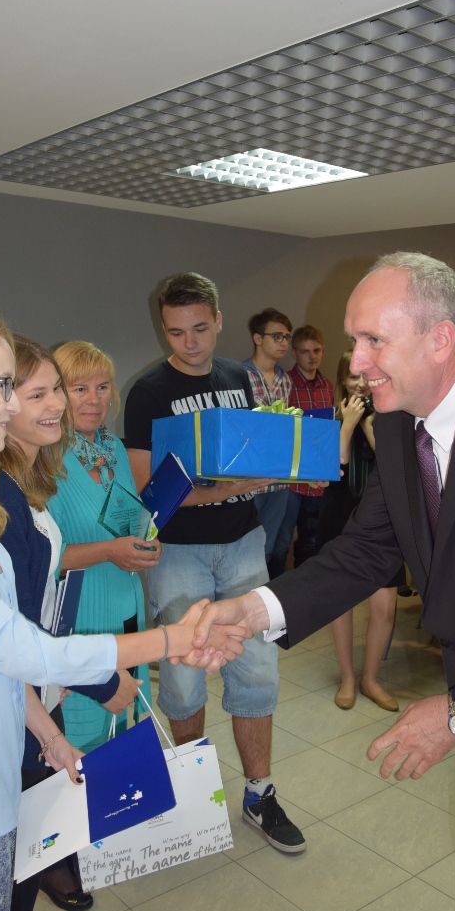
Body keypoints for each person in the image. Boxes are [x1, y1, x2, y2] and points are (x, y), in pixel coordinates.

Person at [190, 251, 455, 911]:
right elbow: (368, 549)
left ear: (440, 338)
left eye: (373, 341)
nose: (355, 364)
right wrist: (256, 610)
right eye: (353, 340)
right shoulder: (399, 423)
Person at [0, 311, 244, 911]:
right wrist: (171, 640)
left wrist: (47, 734)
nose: (15, 404)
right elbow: (20, 647)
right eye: (3, 387)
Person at [125, 272, 307, 854]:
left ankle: (259, 794)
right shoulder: (147, 392)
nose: (190, 343)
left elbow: (252, 452)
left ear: (220, 321)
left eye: (200, 328)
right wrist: (233, 487)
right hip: (178, 552)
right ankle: (193, 797)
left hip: (243, 543)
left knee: (256, 670)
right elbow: (147, 489)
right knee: (183, 676)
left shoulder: (237, 379)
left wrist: (283, 463)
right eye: (176, 332)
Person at [0, 334, 141, 911]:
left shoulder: (97, 452)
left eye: (96, 386)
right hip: (60, 636)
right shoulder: (23, 474)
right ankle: (53, 863)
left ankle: (86, 839)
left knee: (98, 740)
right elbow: (31, 582)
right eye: (60, 389)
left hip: (104, 621)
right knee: (56, 759)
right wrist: (109, 550)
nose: (78, 400)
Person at [47, 340, 154, 755]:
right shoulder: (43, 460)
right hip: (80, 620)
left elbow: (128, 520)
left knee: (123, 737)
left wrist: (146, 543)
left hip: (127, 608)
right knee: (83, 748)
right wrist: (110, 551)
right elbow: (42, 560)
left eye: (103, 387)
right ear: (58, 394)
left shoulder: (114, 449)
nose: (94, 399)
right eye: (80, 389)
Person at [316, 352, 402, 712]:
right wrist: (348, 426)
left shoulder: (393, 417)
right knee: (342, 603)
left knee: (384, 608)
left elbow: (396, 469)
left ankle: (370, 678)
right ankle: (348, 678)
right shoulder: (331, 421)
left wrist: (369, 426)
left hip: (384, 523)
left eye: (367, 377)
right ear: (343, 381)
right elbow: (331, 474)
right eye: (354, 378)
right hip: (341, 519)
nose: (361, 384)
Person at [270, 326, 333, 577]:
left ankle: (307, 589)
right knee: (281, 541)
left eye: (316, 350)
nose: (312, 356)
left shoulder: (327, 386)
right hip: (291, 479)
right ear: (294, 353)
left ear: (323, 351)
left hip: (316, 477)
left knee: (312, 540)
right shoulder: (285, 384)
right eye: (305, 351)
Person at [241, 308, 293, 567]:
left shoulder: (286, 380)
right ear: (258, 338)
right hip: (249, 479)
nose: (283, 342)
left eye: (287, 337)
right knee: (245, 546)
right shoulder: (239, 376)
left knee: (269, 547)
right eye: (277, 336)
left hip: (279, 478)